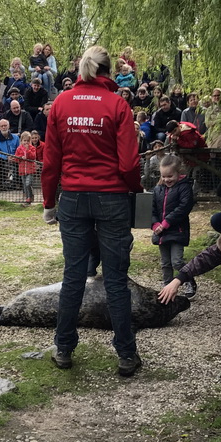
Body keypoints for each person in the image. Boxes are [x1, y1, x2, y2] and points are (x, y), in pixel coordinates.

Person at [41, 45, 143, 377]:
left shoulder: (60, 104)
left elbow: (50, 161)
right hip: (111, 196)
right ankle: (126, 354)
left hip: (71, 197)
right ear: (108, 72)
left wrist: (47, 202)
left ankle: (64, 348)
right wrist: (136, 189)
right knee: (115, 279)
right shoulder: (118, 104)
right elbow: (128, 162)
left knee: (73, 276)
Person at [151, 154, 197, 297]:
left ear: (178, 172)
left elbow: (183, 208)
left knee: (176, 261)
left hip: (177, 230)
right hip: (161, 233)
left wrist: (165, 223)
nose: (166, 180)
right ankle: (167, 287)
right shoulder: (158, 189)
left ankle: (189, 280)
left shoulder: (184, 188)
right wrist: (155, 224)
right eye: (164, 176)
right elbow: (151, 209)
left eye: (170, 176)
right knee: (165, 263)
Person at [15, 130, 44, 206]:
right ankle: (28, 197)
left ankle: (30, 196)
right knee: (24, 185)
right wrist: (21, 157)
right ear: (21, 141)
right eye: (24, 141)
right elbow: (16, 158)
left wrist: (27, 151)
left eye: (28, 141)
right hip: (22, 170)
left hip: (30, 169)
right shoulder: (19, 149)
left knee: (28, 183)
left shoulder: (32, 148)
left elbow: (33, 156)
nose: (26, 142)